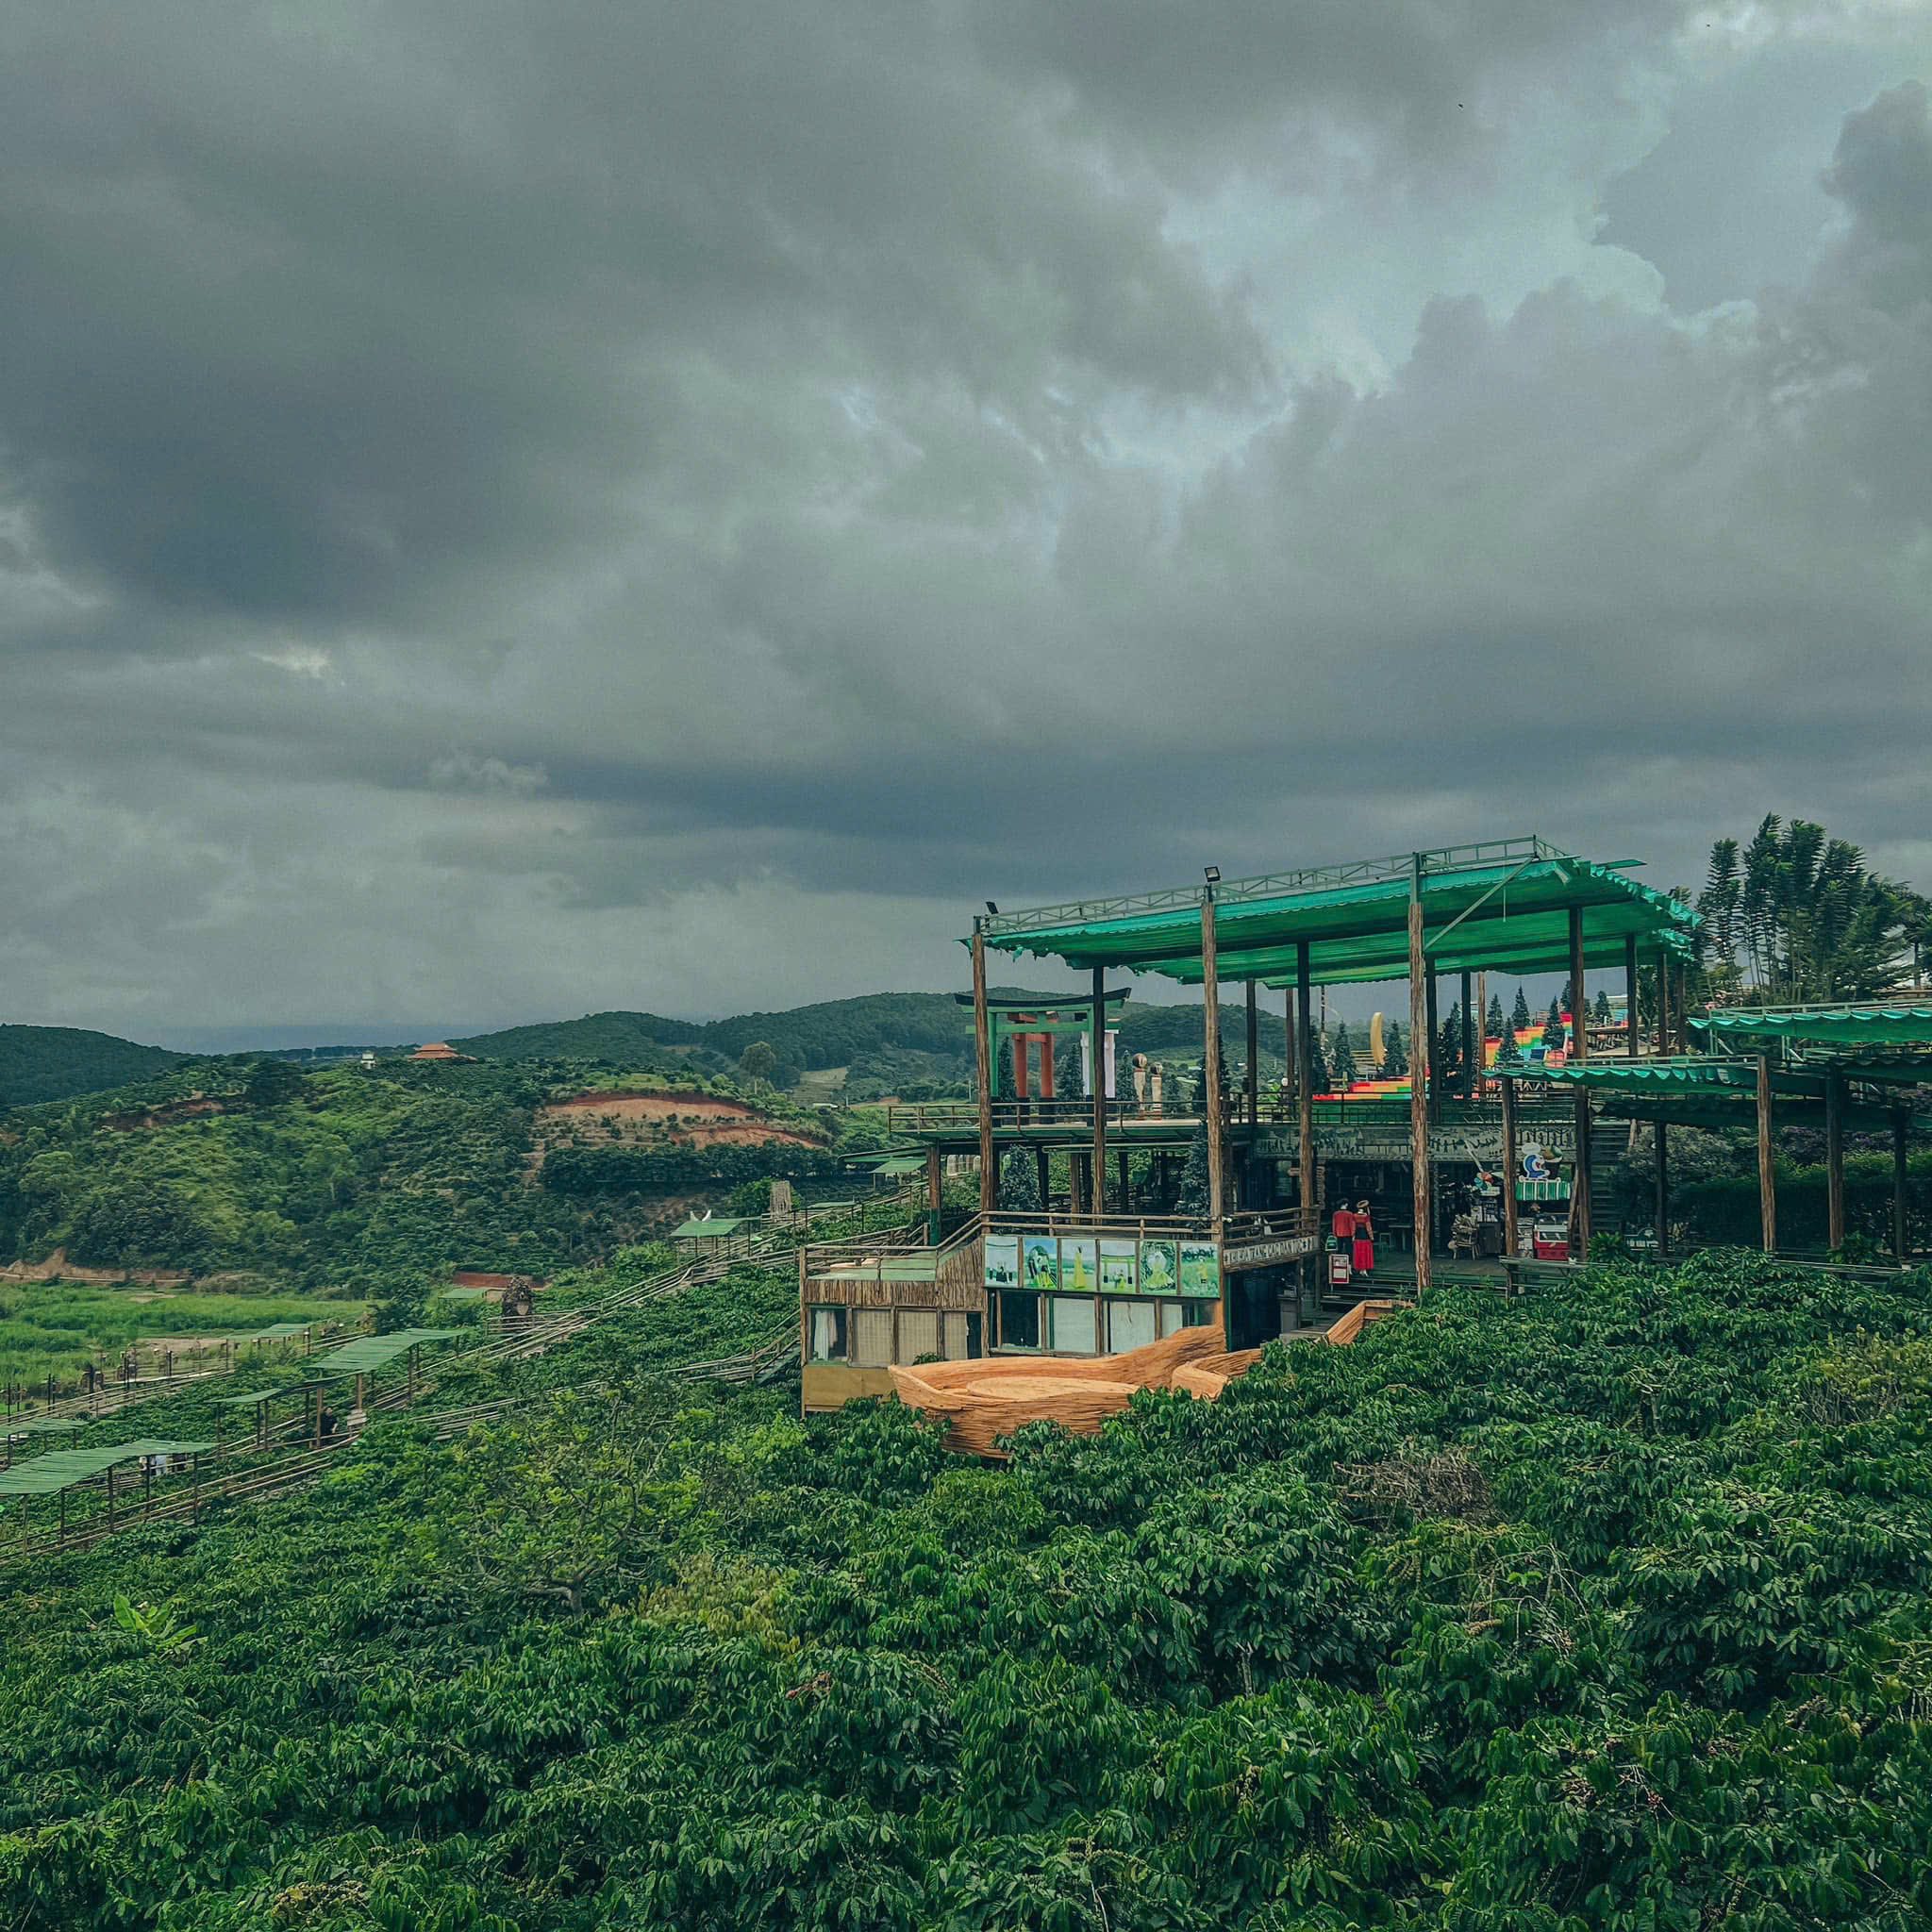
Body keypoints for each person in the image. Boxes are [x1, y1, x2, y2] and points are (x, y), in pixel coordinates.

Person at [1351, 1200, 1375, 1276]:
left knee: (1358, 1253)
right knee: (1365, 1253)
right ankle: (1364, 1270)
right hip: (1365, 1237)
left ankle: (1360, 1269)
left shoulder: (1354, 1216)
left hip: (1357, 1236)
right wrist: (1371, 1237)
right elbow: (1368, 1228)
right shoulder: (1366, 1216)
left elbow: (1353, 1227)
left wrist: (1353, 1236)